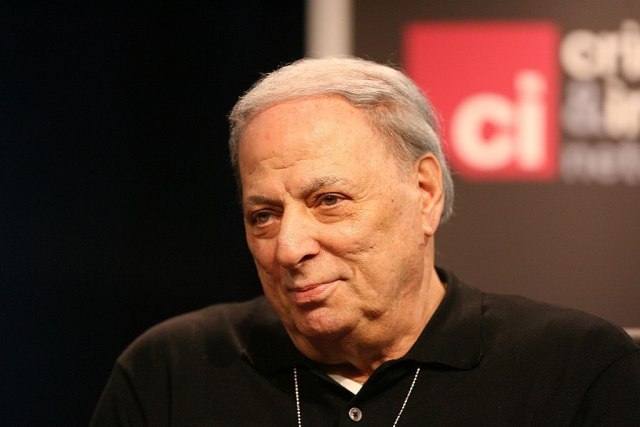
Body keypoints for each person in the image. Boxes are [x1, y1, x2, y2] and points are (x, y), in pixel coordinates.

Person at [91, 56, 640, 426]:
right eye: (264, 215)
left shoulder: (577, 371)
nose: (289, 248)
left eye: (329, 200)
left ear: (424, 193)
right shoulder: (169, 372)